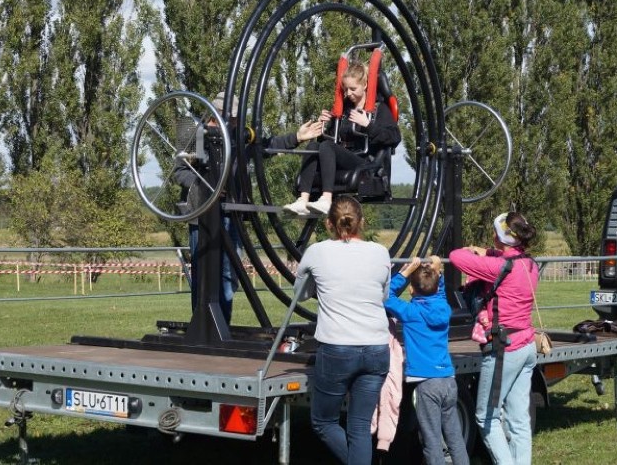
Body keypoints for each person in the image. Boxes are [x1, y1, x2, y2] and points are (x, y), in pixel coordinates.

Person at [174, 91, 323, 324]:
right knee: (204, 275)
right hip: (203, 216)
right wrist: (205, 186)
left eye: (236, 119)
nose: (235, 122)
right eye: (231, 118)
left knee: (228, 274)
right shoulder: (195, 133)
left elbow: (265, 146)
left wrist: (297, 137)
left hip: (231, 212)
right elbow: (180, 172)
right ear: (216, 114)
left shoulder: (236, 135)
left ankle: (223, 324)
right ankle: (204, 325)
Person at [295, 195, 391, 465]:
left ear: (329, 224)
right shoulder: (380, 252)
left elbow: (300, 294)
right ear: (362, 221)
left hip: (338, 349)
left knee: (324, 422)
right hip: (376, 347)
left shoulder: (317, 251)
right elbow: (382, 296)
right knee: (359, 427)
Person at [448, 212, 539, 465]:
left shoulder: (498, 267)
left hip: (503, 348)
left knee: (487, 417)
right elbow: (508, 259)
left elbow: (456, 257)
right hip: (527, 344)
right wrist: (491, 251)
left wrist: (478, 251)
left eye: (494, 233)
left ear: (501, 238)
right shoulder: (530, 264)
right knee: (519, 419)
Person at [283, 60, 400, 216]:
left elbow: (394, 137)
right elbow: (329, 142)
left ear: (365, 85)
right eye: (346, 89)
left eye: (353, 89)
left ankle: (327, 199)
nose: (349, 94)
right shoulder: (344, 109)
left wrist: (367, 125)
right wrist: (325, 126)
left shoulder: (380, 110)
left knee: (327, 147)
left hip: (365, 163)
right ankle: (303, 200)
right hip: (342, 159)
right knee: (313, 147)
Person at [384, 255, 469, 465]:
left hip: (427, 383)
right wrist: (438, 274)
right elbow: (437, 293)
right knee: (454, 437)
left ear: (412, 290)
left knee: (431, 439)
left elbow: (386, 296)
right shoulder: (443, 308)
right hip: (448, 380)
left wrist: (404, 273)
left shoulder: (411, 312)